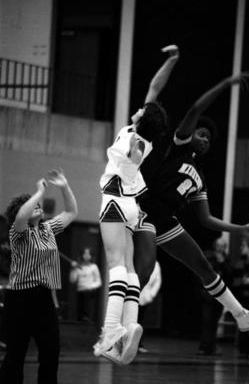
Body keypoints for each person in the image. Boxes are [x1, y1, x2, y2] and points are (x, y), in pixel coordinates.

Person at [132, 70, 249, 335]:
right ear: (190, 133)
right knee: (146, 269)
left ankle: (242, 316)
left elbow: (206, 219)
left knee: (204, 267)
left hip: (167, 220)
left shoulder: (200, 178)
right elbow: (196, 107)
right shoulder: (179, 146)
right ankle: (119, 326)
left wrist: (241, 229)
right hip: (146, 210)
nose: (205, 140)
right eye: (202, 134)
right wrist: (226, 83)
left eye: (209, 139)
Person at [93, 44, 179, 364]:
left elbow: (133, 157)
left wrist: (133, 153)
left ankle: (110, 332)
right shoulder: (144, 136)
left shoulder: (134, 140)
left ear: (142, 119)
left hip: (115, 201)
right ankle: (130, 327)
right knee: (129, 271)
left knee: (116, 265)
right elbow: (155, 88)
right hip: (132, 207)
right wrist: (172, 60)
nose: (140, 108)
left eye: (143, 110)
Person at [0, 168, 78, 384]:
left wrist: (64, 186)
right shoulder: (17, 232)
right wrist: (38, 194)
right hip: (19, 299)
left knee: (51, 353)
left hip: (43, 299)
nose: (38, 207)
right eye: (33, 205)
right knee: (15, 355)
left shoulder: (48, 229)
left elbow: (71, 212)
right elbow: (22, 216)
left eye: (38, 205)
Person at [196, 237, 234, 356]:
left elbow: (230, 277)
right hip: (207, 294)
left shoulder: (226, 260)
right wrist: (202, 291)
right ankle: (204, 347)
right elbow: (201, 272)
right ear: (215, 246)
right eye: (219, 245)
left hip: (220, 296)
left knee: (214, 322)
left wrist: (222, 262)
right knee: (206, 321)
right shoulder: (208, 256)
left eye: (223, 246)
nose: (220, 248)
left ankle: (211, 347)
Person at [69, 247, 102, 322]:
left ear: (91, 256)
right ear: (81, 255)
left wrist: (90, 286)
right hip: (80, 291)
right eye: (85, 253)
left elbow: (99, 282)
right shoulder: (78, 266)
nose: (86, 255)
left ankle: (86, 317)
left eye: (88, 253)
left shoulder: (94, 267)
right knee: (80, 307)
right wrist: (73, 269)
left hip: (89, 292)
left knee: (87, 302)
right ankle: (80, 319)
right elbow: (72, 280)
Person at [138, 260, 162, 353]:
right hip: (132, 295)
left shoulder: (156, 264)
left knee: (141, 321)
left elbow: (157, 281)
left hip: (145, 296)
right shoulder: (136, 259)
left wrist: (151, 295)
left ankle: (139, 344)